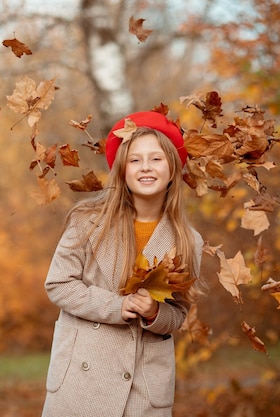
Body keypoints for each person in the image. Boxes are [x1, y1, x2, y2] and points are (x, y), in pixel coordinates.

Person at [41, 110, 206, 417]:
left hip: (142, 390)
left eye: (156, 159)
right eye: (135, 160)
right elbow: (58, 284)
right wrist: (115, 306)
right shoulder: (87, 222)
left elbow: (179, 314)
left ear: (173, 168)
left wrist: (156, 313)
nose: (146, 167)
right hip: (80, 381)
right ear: (122, 171)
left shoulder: (187, 240)